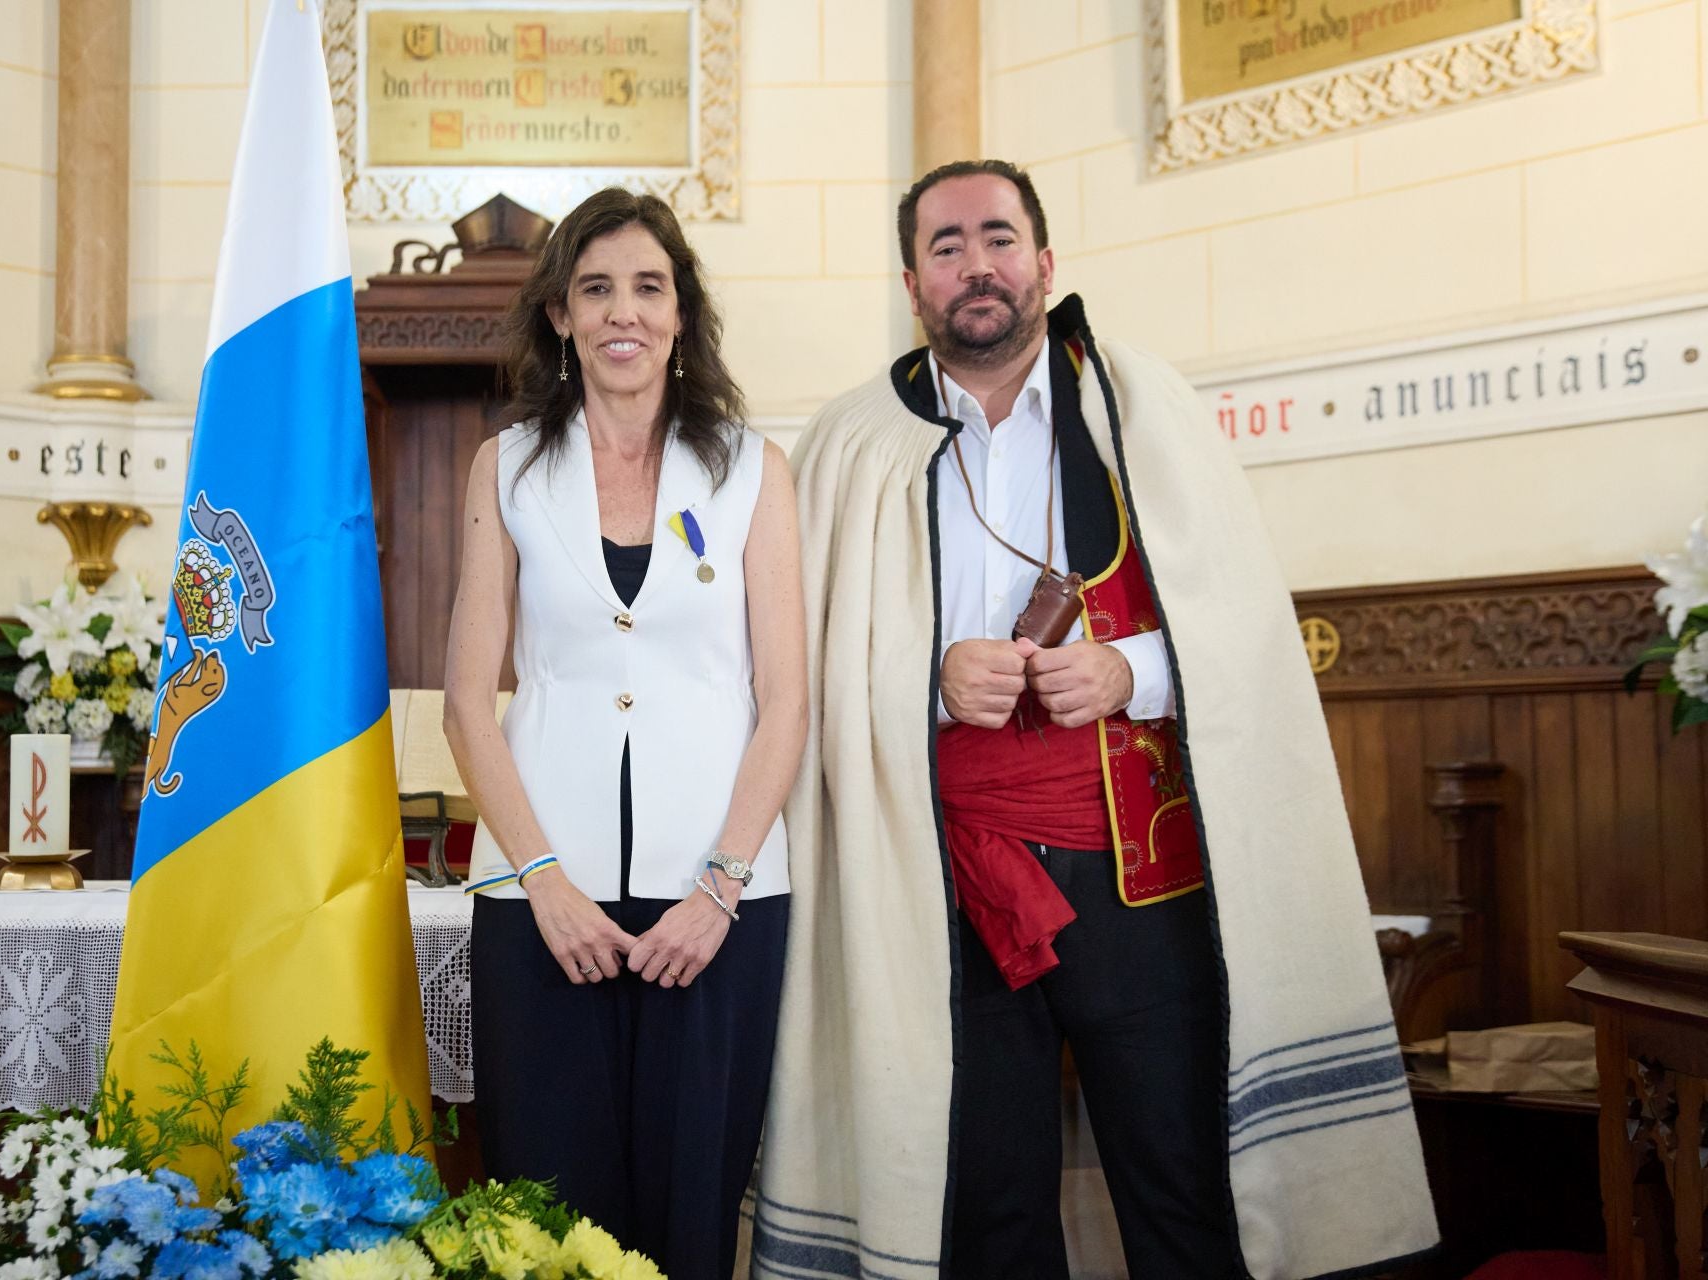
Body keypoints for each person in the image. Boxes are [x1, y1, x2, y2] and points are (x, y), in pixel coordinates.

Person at [752, 160, 1438, 1280]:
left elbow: (1245, 629)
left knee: (1180, 1183)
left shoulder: (1144, 404)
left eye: (999, 237)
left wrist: (1129, 670)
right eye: (946, 245)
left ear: (1045, 262)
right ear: (912, 280)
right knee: (985, 1206)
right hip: (942, 882)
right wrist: (930, 680)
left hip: (1135, 873)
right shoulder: (851, 441)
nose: (977, 264)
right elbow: (800, 667)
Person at [443, 187, 806, 1280]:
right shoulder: (503, 468)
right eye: (595, 288)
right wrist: (546, 881)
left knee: (692, 1218)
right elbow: (469, 699)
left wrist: (720, 887)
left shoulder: (753, 469)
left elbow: (785, 696)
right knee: (545, 1223)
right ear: (559, 313)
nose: (622, 312)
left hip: (720, 901)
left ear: (681, 312)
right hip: (541, 902)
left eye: (649, 287)